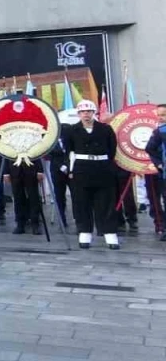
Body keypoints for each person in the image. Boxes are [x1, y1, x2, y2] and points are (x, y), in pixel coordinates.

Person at [61, 100, 120, 250]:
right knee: (82, 202)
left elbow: (112, 150)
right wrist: (70, 170)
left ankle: (109, 233)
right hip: (81, 169)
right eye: (82, 112)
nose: (86, 114)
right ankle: (85, 233)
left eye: (88, 111)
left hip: (102, 168)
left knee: (106, 203)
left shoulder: (105, 129)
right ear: (78, 114)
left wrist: (107, 166)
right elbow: (68, 151)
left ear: (94, 113)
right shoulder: (71, 130)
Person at [4, 153, 44, 235]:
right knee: (18, 199)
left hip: (31, 169)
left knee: (34, 199)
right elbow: (6, 153)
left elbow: (37, 151)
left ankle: (35, 224)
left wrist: (40, 170)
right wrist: (6, 172)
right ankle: (20, 224)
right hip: (14, 170)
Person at [143, 104, 166, 241]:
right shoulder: (159, 131)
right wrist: (159, 164)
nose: (160, 118)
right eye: (159, 115)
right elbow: (149, 148)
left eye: (163, 115)